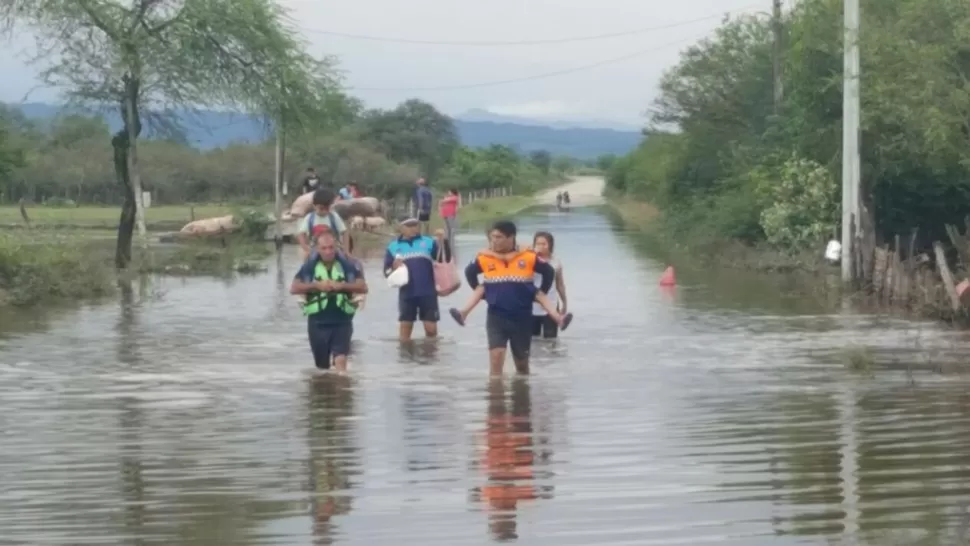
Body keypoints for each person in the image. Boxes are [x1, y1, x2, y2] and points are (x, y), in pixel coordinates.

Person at [458, 221, 559, 375]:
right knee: (496, 358)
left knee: (522, 365)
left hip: (522, 317)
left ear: (511, 237)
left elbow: (549, 272)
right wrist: (486, 294)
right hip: (496, 316)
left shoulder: (528, 255)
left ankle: (522, 391)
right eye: (492, 237)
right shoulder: (484, 257)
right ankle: (495, 395)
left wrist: (538, 294)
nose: (494, 241)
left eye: (498, 237)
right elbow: (470, 273)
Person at [290, 232, 368, 373]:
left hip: (342, 320)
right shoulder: (309, 267)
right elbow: (294, 288)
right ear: (317, 249)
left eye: (331, 248)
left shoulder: (347, 265)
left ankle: (342, 388)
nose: (328, 251)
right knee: (322, 368)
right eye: (324, 248)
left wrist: (342, 286)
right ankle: (327, 391)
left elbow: (363, 287)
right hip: (317, 322)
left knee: (340, 360)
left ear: (336, 248)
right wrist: (316, 286)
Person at [384, 215, 441, 341]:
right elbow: (386, 272)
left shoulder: (428, 242)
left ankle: (430, 358)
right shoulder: (393, 247)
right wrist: (393, 267)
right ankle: (405, 358)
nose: (413, 229)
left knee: (431, 332)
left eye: (415, 225)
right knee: (405, 333)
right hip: (407, 294)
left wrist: (443, 242)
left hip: (428, 292)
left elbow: (443, 260)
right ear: (401, 228)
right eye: (409, 226)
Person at [530, 231, 568, 339]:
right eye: (538, 244)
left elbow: (560, 284)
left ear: (550, 245)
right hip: (531, 305)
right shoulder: (529, 260)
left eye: (544, 244)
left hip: (551, 304)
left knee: (551, 339)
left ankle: (550, 356)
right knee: (532, 339)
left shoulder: (555, 261)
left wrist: (564, 303)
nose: (540, 247)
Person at [439, 188, 460, 256]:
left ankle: (451, 240)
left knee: (451, 228)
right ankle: (447, 240)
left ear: (452, 192)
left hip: (450, 213)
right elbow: (442, 202)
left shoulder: (455, 197)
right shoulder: (448, 198)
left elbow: (443, 201)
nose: (448, 192)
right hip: (445, 213)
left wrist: (444, 200)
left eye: (449, 191)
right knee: (447, 228)